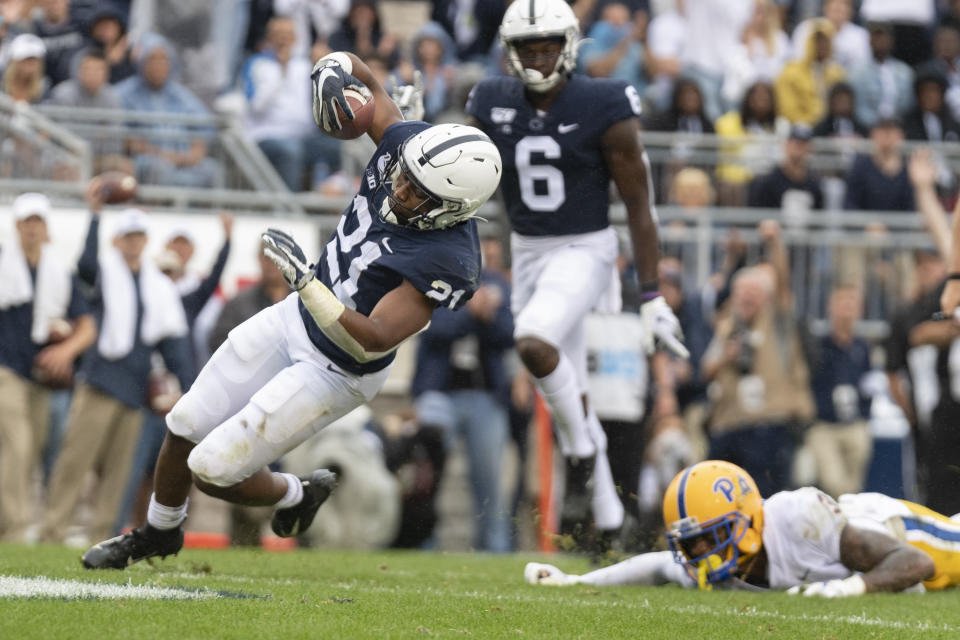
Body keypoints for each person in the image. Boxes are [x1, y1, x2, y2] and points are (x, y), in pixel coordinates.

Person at [81, 50, 502, 569]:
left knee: (213, 468)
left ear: (453, 210)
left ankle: (294, 495)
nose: (401, 187)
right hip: (294, 319)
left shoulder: (451, 258)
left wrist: (306, 282)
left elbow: (372, 336)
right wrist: (330, 67)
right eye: (406, 176)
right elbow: (362, 74)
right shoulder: (404, 150)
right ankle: (159, 532)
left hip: (340, 368)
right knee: (184, 420)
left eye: (418, 192)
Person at [465, 0, 686, 543]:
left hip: (586, 249)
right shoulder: (490, 99)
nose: (539, 57)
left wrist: (652, 293)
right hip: (529, 251)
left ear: (569, 45)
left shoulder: (603, 102)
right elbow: (464, 172)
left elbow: (639, 204)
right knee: (571, 390)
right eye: (527, 47)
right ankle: (610, 523)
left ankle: (583, 459)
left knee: (534, 342)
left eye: (548, 45)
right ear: (509, 50)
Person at [525, 460, 958, 594]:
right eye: (690, 544)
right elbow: (656, 567)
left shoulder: (797, 517)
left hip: (899, 530)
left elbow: (915, 562)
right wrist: (576, 579)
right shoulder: (722, 558)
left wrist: (848, 589)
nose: (699, 554)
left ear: (747, 520)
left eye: (707, 538)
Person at [40, 200, 195, 545]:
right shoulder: (105, 273)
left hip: (136, 390)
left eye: (139, 236)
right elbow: (85, 265)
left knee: (120, 474)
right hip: (98, 383)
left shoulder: (157, 286)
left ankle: (103, 538)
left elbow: (173, 345)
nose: (133, 242)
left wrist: (189, 389)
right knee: (73, 464)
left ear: (145, 240)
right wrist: (95, 216)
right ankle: (53, 532)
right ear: (118, 240)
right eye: (128, 236)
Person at [0, 193, 96, 542]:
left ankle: (10, 525)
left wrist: (66, 350)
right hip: (5, 373)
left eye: (38, 221)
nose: (32, 227)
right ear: (17, 226)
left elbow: (87, 326)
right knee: (19, 445)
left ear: (45, 227)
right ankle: (16, 530)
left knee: (29, 453)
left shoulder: (58, 271)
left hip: (41, 377)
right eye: (27, 221)